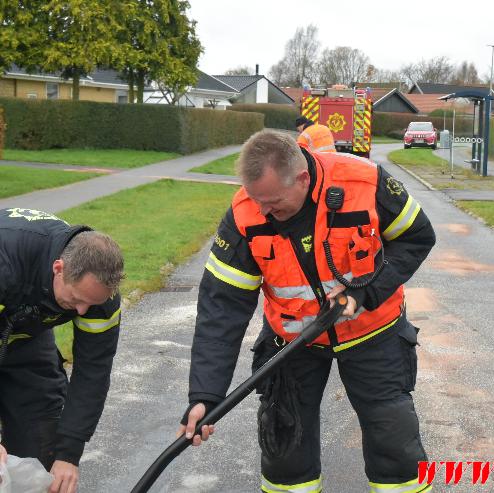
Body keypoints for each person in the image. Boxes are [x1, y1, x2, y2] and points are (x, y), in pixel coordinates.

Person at [179, 129, 435, 492]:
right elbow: (221, 309)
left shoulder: (363, 183)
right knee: (285, 449)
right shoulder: (244, 213)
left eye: (274, 203)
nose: (264, 212)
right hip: (291, 340)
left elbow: (417, 237)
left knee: (393, 440)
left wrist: (367, 292)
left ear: (301, 178)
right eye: (257, 201)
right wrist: (205, 396)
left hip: (373, 331)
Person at [0, 207, 124, 493]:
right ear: (59, 268)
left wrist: (69, 454)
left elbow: (93, 370)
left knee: (44, 444)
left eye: (91, 304)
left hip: (26, 337)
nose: (83, 311)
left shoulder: (99, 297)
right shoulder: (7, 262)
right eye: (77, 299)